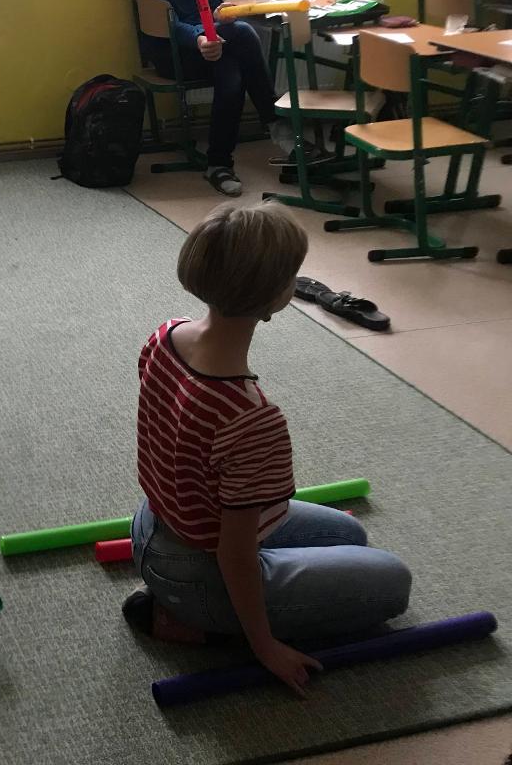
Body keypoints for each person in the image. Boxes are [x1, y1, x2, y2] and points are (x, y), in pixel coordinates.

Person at [124, 201, 411, 696]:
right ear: (274, 296)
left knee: (350, 534)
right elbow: (234, 554)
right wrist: (265, 646)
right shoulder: (251, 418)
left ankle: (187, 599)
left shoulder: (165, 335)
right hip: (198, 571)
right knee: (393, 582)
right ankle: (193, 621)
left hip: (151, 526)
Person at [128, 0, 280, 197]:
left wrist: (224, 16)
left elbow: (213, 6)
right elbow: (167, 24)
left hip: (211, 43)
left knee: (231, 67)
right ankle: (275, 122)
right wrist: (199, 37)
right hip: (171, 53)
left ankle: (219, 165)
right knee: (244, 36)